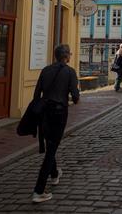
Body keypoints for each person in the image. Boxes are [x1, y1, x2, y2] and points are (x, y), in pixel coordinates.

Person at [32, 44, 79, 203]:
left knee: (50, 143)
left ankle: (54, 174)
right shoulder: (70, 72)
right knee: (51, 149)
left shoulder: (45, 70)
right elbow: (76, 96)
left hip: (44, 112)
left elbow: (36, 94)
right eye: (70, 54)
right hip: (59, 113)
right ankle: (39, 191)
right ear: (66, 56)